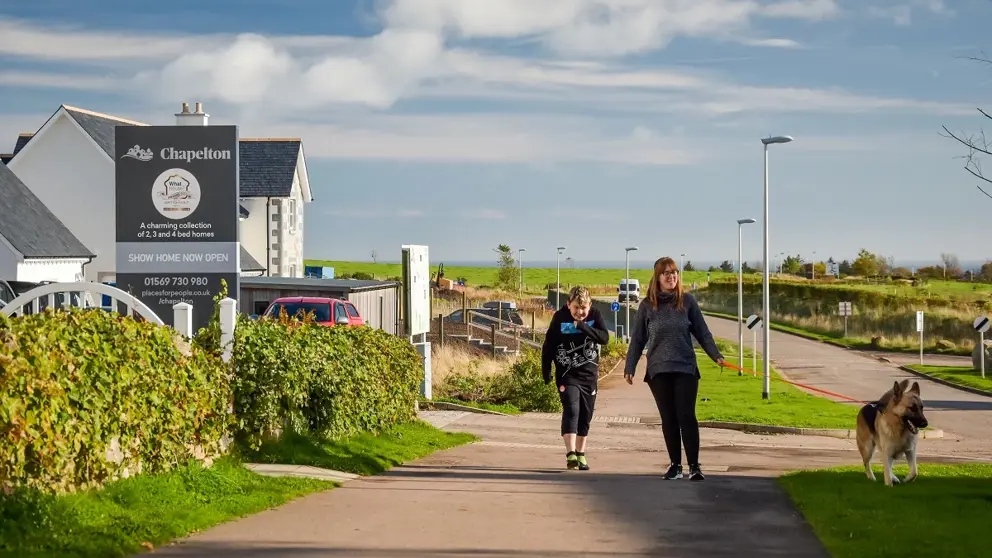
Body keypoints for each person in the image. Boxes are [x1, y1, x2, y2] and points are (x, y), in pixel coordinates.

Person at [623, 257, 726, 481]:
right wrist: (630, 366)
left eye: (674, 272)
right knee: (668, 417)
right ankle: (675, 466)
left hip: (685, 367)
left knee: (686, 415)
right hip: (658, 370)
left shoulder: (687, 302)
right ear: (658, 277)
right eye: (666, 273)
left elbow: (703, 333)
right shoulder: (647, 306)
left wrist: (716, 355)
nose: (671, 276)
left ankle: (694, 466)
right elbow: (638, 339)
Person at [541, 286, 610, 471]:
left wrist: (583, 326)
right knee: (572, 409)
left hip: (589, 376)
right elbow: (549, 345)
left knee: (586, 415)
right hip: (567, 374)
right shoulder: (560, 317)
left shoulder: (595, 315)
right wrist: (546, 369)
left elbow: (604, 338)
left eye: (583, 308)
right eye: (576, 308)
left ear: (590, 305)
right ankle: (570, 453)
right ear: (568, 304)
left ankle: (580, 453)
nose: (579, 312)